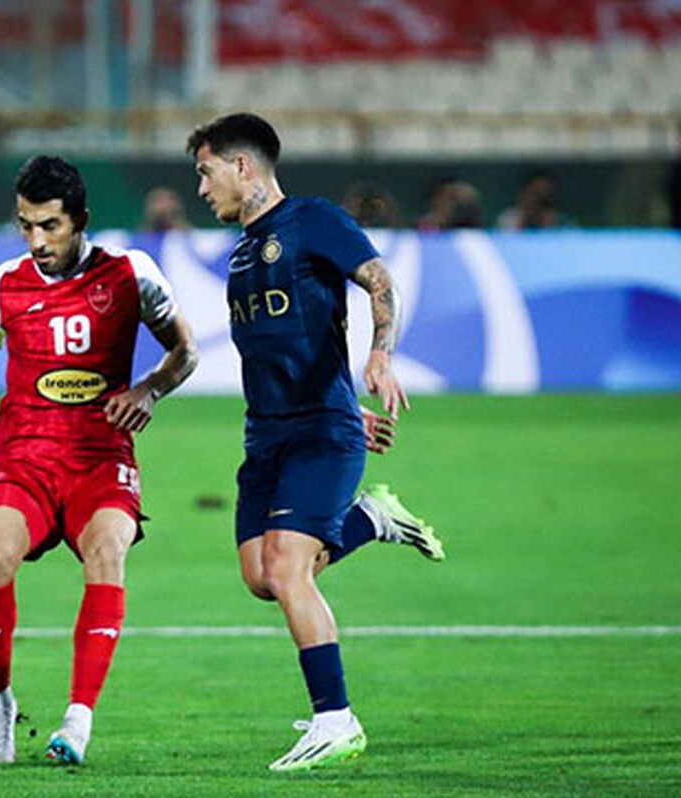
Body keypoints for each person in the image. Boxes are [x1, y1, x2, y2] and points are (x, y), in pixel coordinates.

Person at [0, 156, 199, 766]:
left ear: (81, 220)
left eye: (50, 226)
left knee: (108, 551)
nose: (37, 241)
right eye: (26, 225)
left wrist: (148, 391)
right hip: (25, 458)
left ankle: (77, 720)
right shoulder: (0, 287)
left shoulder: (131, 275)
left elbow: (185, 352)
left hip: (101, 459)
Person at [186, 113, 445, 772]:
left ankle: (336, 721)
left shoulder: (312, 220)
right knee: (260, 578)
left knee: (287, 570)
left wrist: (380, 356)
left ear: (242, 166)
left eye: (205, 172)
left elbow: (381, 282)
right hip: (266, 434)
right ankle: (371, 518)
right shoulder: (243, 252)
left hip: (318, 433)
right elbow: (284, 347)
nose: (201, 189)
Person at [497, 171, 568, 230]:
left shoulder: (560, 223)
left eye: (544, 196)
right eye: (535, 193)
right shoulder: (508, 219)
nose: (538, 200)